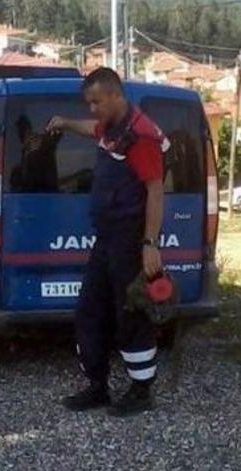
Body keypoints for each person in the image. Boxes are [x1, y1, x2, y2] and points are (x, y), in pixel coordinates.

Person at [47, 68, 169, 417]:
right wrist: (65, 123)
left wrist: (150, 243)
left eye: (96, 102)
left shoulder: (141, 136)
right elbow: (92, 129)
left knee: (130, 313)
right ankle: (97, 385)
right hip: (106, 238)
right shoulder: (112, 127)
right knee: (90, 310)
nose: (92, 109)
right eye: (89, 103)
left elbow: (155, 191)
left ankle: (141, 391)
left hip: (130, 239)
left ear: (116, 96)